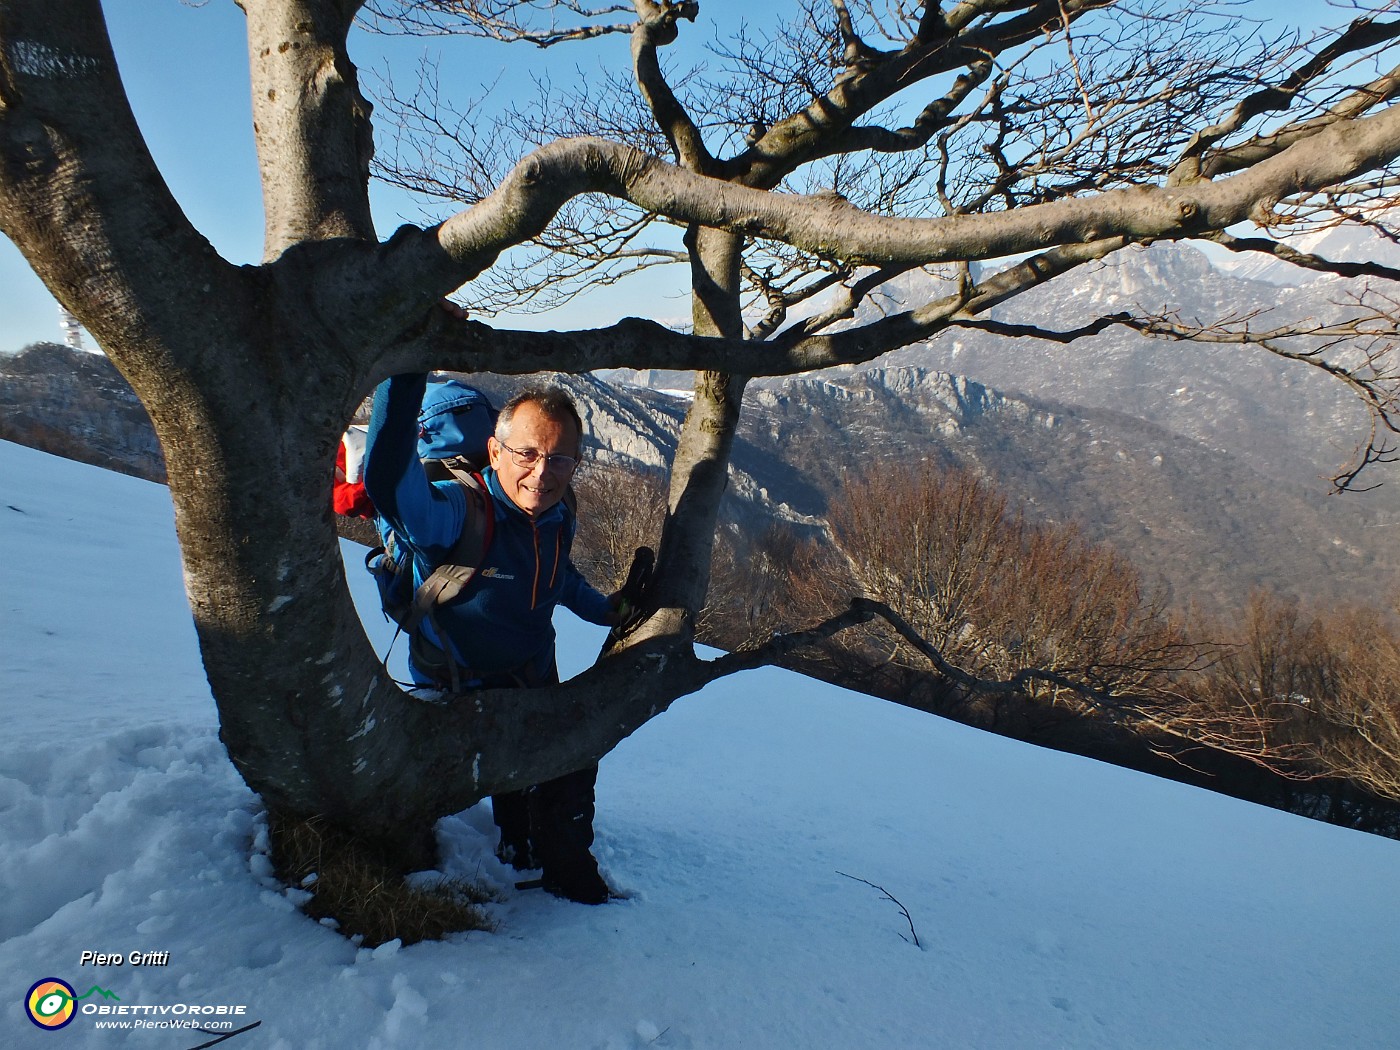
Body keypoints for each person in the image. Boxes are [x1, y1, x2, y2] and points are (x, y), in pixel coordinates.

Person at [362, 373, 619, 904]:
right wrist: (408, 367)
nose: (542, 473)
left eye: (560, 459)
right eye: (526, 453)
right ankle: (505, 842)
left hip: (529, 671)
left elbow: (557, 576)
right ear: (493, 452)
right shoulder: (457, 511)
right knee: (501, 765)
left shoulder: (558, 511)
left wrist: (605, 610)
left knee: (569, 756)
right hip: (456, 686)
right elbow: (388, 482)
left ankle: (543, 852)